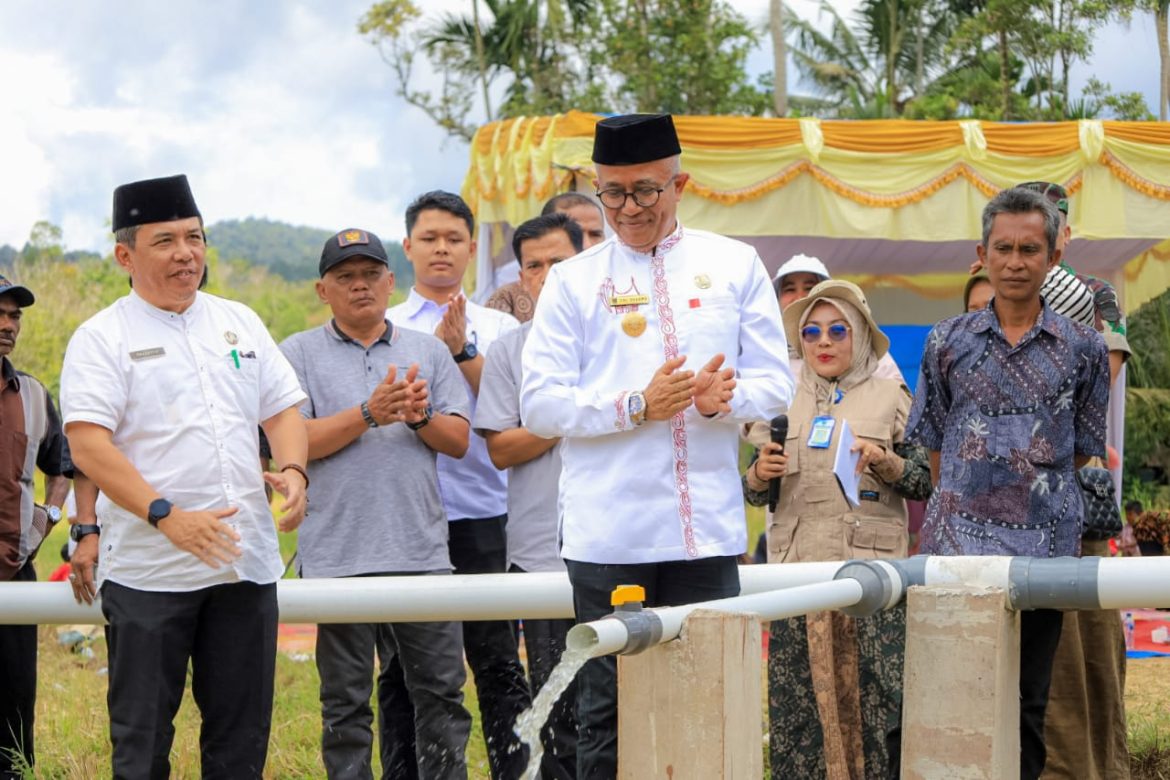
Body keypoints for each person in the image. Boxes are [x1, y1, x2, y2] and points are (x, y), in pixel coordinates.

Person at [520, 113, 795, 778]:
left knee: (706, 705)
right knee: (608, 712)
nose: (628, 208)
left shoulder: (733, 264)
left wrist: (722, 400)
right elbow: (540, 404)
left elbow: (775, 384)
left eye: (645, 190)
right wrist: (635, 405)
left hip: (706, 536)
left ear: (680, 184)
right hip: (609, 536)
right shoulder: (573, 280)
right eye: (612, 193)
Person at [60, 174, 310, 779]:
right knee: (142, 746)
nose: (185, 253)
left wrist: (293, 468)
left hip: (243, 567)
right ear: (125, 256)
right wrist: (166, 516)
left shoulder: (238, 321)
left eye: (194, 238)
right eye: (165, 241)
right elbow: (88, 445)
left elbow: (282, 409)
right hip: (149, 573)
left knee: (240, 743)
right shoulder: (102, 337)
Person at [907, 186, 1110, 780]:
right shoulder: (947, 341)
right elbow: (935, 441)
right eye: (1003, 248)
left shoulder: (1084, 348)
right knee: (947, 697)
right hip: (955, 553)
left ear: (1052, 257)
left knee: (1027, 704)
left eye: (1029, 249)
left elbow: (1082, 450)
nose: (1015, 262)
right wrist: (963, 502)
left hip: (1044, 553)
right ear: (982, 255)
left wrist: (1029, 489)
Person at [279, 228, 474, 779]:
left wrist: (418, 416)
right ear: (323, 290)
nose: (359, 286)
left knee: (442, 693)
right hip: (336, 555)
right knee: (344, 703)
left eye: (370, 275)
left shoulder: (428, 351)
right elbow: (291, 442)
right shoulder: (295, 353)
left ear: (391, 282)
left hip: (421, 552)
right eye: (345, 277)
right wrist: (369, 413)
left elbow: (459, 440)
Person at [743, 279, 931, 778]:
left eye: (837, 330)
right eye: (811, 332)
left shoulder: (892, 396)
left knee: (876, 709)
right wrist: (758, 474)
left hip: (870, 578)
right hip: (796, 578)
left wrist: (884, 461)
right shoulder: (779, 399)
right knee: (799, 714)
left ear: (862, 334)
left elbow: (924, 481)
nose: (823, 342)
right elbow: (754, 492)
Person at [386, 191, 532, 780]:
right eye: (429, 238)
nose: (441, 249)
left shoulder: (501, 328)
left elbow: (518, 410)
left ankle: (514, 772)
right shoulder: (386, 327)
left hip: (485, 511)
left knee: (496, 659)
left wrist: (463, 350)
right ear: (408, 247)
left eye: (453, 239)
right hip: (408, 519)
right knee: (402, 668)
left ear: (472, 247)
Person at [475, 212, 585, 780]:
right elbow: (501, 449)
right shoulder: (508, 352)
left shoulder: (621, 341)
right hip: (541, 551)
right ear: (521, 277)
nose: (546, 275)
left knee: (623, 701)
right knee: (556, 707)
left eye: (558, 262)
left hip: (623, 547)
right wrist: (584, 416)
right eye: (534, 266)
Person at [0, 275, 71, 780]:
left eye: (15, 316)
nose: (8, 325)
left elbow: (62, 465)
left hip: (14, 574)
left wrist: (50, 515)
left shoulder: (32, 394)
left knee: (13, 703)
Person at [772, 253, 904, 382]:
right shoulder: (769, 348)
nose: (800, 297)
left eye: (808, 288)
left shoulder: (861, 346)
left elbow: (896, 391)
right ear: (776, 297)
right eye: (790, 289)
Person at [486, 192, 606, 322]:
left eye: (595, 234)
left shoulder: (618, 286)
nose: (587, 245)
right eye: (577, 233)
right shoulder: (507, 299)